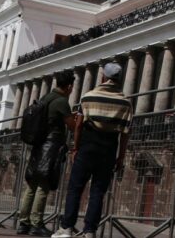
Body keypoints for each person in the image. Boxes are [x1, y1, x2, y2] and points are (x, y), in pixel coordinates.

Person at [52, 62, 132, 238]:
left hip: (88, 145)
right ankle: (90, 231)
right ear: (118, 79)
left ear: (103, 77)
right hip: (109, 147)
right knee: (98, 191)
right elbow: (125, 133)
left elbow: (79, 125)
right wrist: (121, 157)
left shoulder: (88, 97)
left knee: (75, 188)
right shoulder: (125, 102)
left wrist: (75, 148)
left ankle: (66, 228)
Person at [17, 70, 75, 236]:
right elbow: (70, 124)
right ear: (69, 86)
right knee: (43, 185)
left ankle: (24, 223)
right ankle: (36, 223)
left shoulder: (45, 98)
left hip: (38, 144)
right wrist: (77, 120)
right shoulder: (61, 101)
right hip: (50, 147)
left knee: (31, 185)